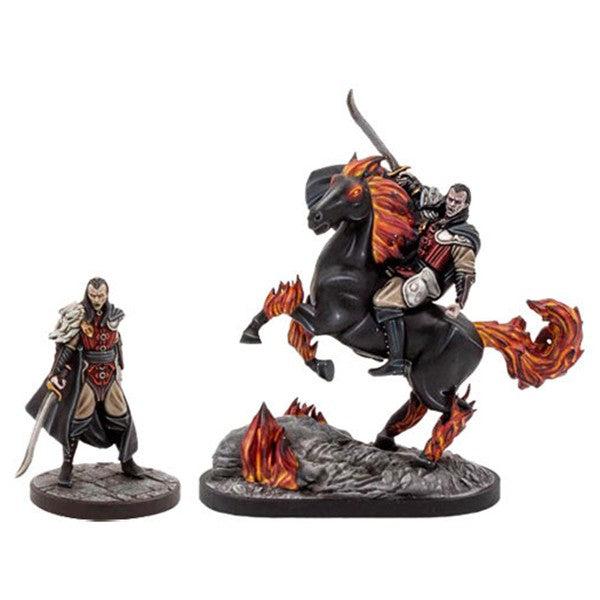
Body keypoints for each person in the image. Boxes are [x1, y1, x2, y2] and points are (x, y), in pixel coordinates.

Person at [25, 277, 144, 487]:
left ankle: (127, 460)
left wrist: (119, 366)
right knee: (77, 419)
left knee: (122, 416)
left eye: (100, 295)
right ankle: (67, 465)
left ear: (107, 294)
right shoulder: (79, 316)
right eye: (93, 295)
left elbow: (117, 344)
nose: (96, 299)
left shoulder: (114, 316)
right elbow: (68, 348)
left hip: (109, 374)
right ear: (87, 294)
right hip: (88, 375)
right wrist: (56, 372)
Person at [369, 183, 480, 377]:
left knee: (383, 301)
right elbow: (419, 195)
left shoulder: (462, 237)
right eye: (450, 199)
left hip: (426, 281)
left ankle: (396, 360)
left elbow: (465, 272)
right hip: (408, 267)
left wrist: (459, 302)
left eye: (457, 202)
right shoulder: (437, 217)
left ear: (465, 205)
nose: (452, 204)